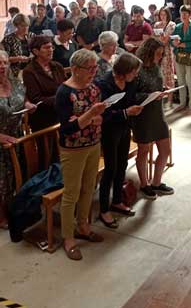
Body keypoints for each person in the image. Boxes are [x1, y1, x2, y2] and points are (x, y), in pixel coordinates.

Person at [55, 49, 106, 260]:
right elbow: (68, 128)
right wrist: (91, 115)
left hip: (93, 143)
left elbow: (99, 117)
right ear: (75, 69)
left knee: (89, 188)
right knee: (71, 194)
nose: (94, 72)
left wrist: (93, 118)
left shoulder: (93, 87)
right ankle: (68, 237)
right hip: (73, 148)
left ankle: (83, 226)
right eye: (90, 68)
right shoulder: (64, 92)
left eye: (95, 68)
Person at [96, 53, 143, 228]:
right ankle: (103, 209)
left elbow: (131, 100)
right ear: (124, 70)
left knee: (122, 164)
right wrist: (125, 112)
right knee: (110, 169)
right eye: (134, 71)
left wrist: (139, 105)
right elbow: (103, 113)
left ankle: (116, 200)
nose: (136, 75)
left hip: (124, 127)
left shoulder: (130, 82)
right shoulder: (104, 84)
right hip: (109, 130)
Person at [133, 39, 174, 198]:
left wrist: (163, 89)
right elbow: (132, 96)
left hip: (157, 112)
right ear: (148, 52)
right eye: (158, 54)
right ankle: (144, 184)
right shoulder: (137, 69)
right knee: (143, 151)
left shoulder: (156, 66)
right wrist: (150, 95)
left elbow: (156, 85)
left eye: (161, 54)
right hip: (143, 114)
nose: (160, 57)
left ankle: (156, 182)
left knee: (165, 150)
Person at [0, 51, 35, 229]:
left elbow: (23, 98)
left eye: (5, 62)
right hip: (1, 139)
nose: (2, 66)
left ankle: (13, 209)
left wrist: (28, 105)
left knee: (16, 174)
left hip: (16, 136)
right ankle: (1, 216)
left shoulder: (14, 81)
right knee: (1, 180)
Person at [22, 34, 65, 134]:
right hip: (43, 119)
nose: (51, 50)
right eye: (46, 48)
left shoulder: (57, 66)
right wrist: (61, 97)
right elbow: (36, 99)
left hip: (61, 113)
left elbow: (65, 86)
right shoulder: (29, 71)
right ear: (35, 51)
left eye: (51, 47)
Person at [172, 5, 191, 115]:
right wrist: (174, 43)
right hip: (179, 56)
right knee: (180, 81)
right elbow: (172, 41)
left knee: (190, 82)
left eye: (185, 13)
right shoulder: (178, 26)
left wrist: (181, 44)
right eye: (181, 13)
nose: (183, 16)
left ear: (190, 14)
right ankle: (182, 103)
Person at [153, 7, 176, 104]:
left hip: (167, 52)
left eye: (164, 14)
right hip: (157, 52)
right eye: (161, 14)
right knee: (158, 75)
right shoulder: (157, 24)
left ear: (168, 15)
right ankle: (160, 99)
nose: (162, 16)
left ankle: (170, 100)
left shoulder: (171, 24)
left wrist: (160, 37)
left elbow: (165, 41)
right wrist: (160, 38)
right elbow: (153, 38)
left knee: (168, 75)